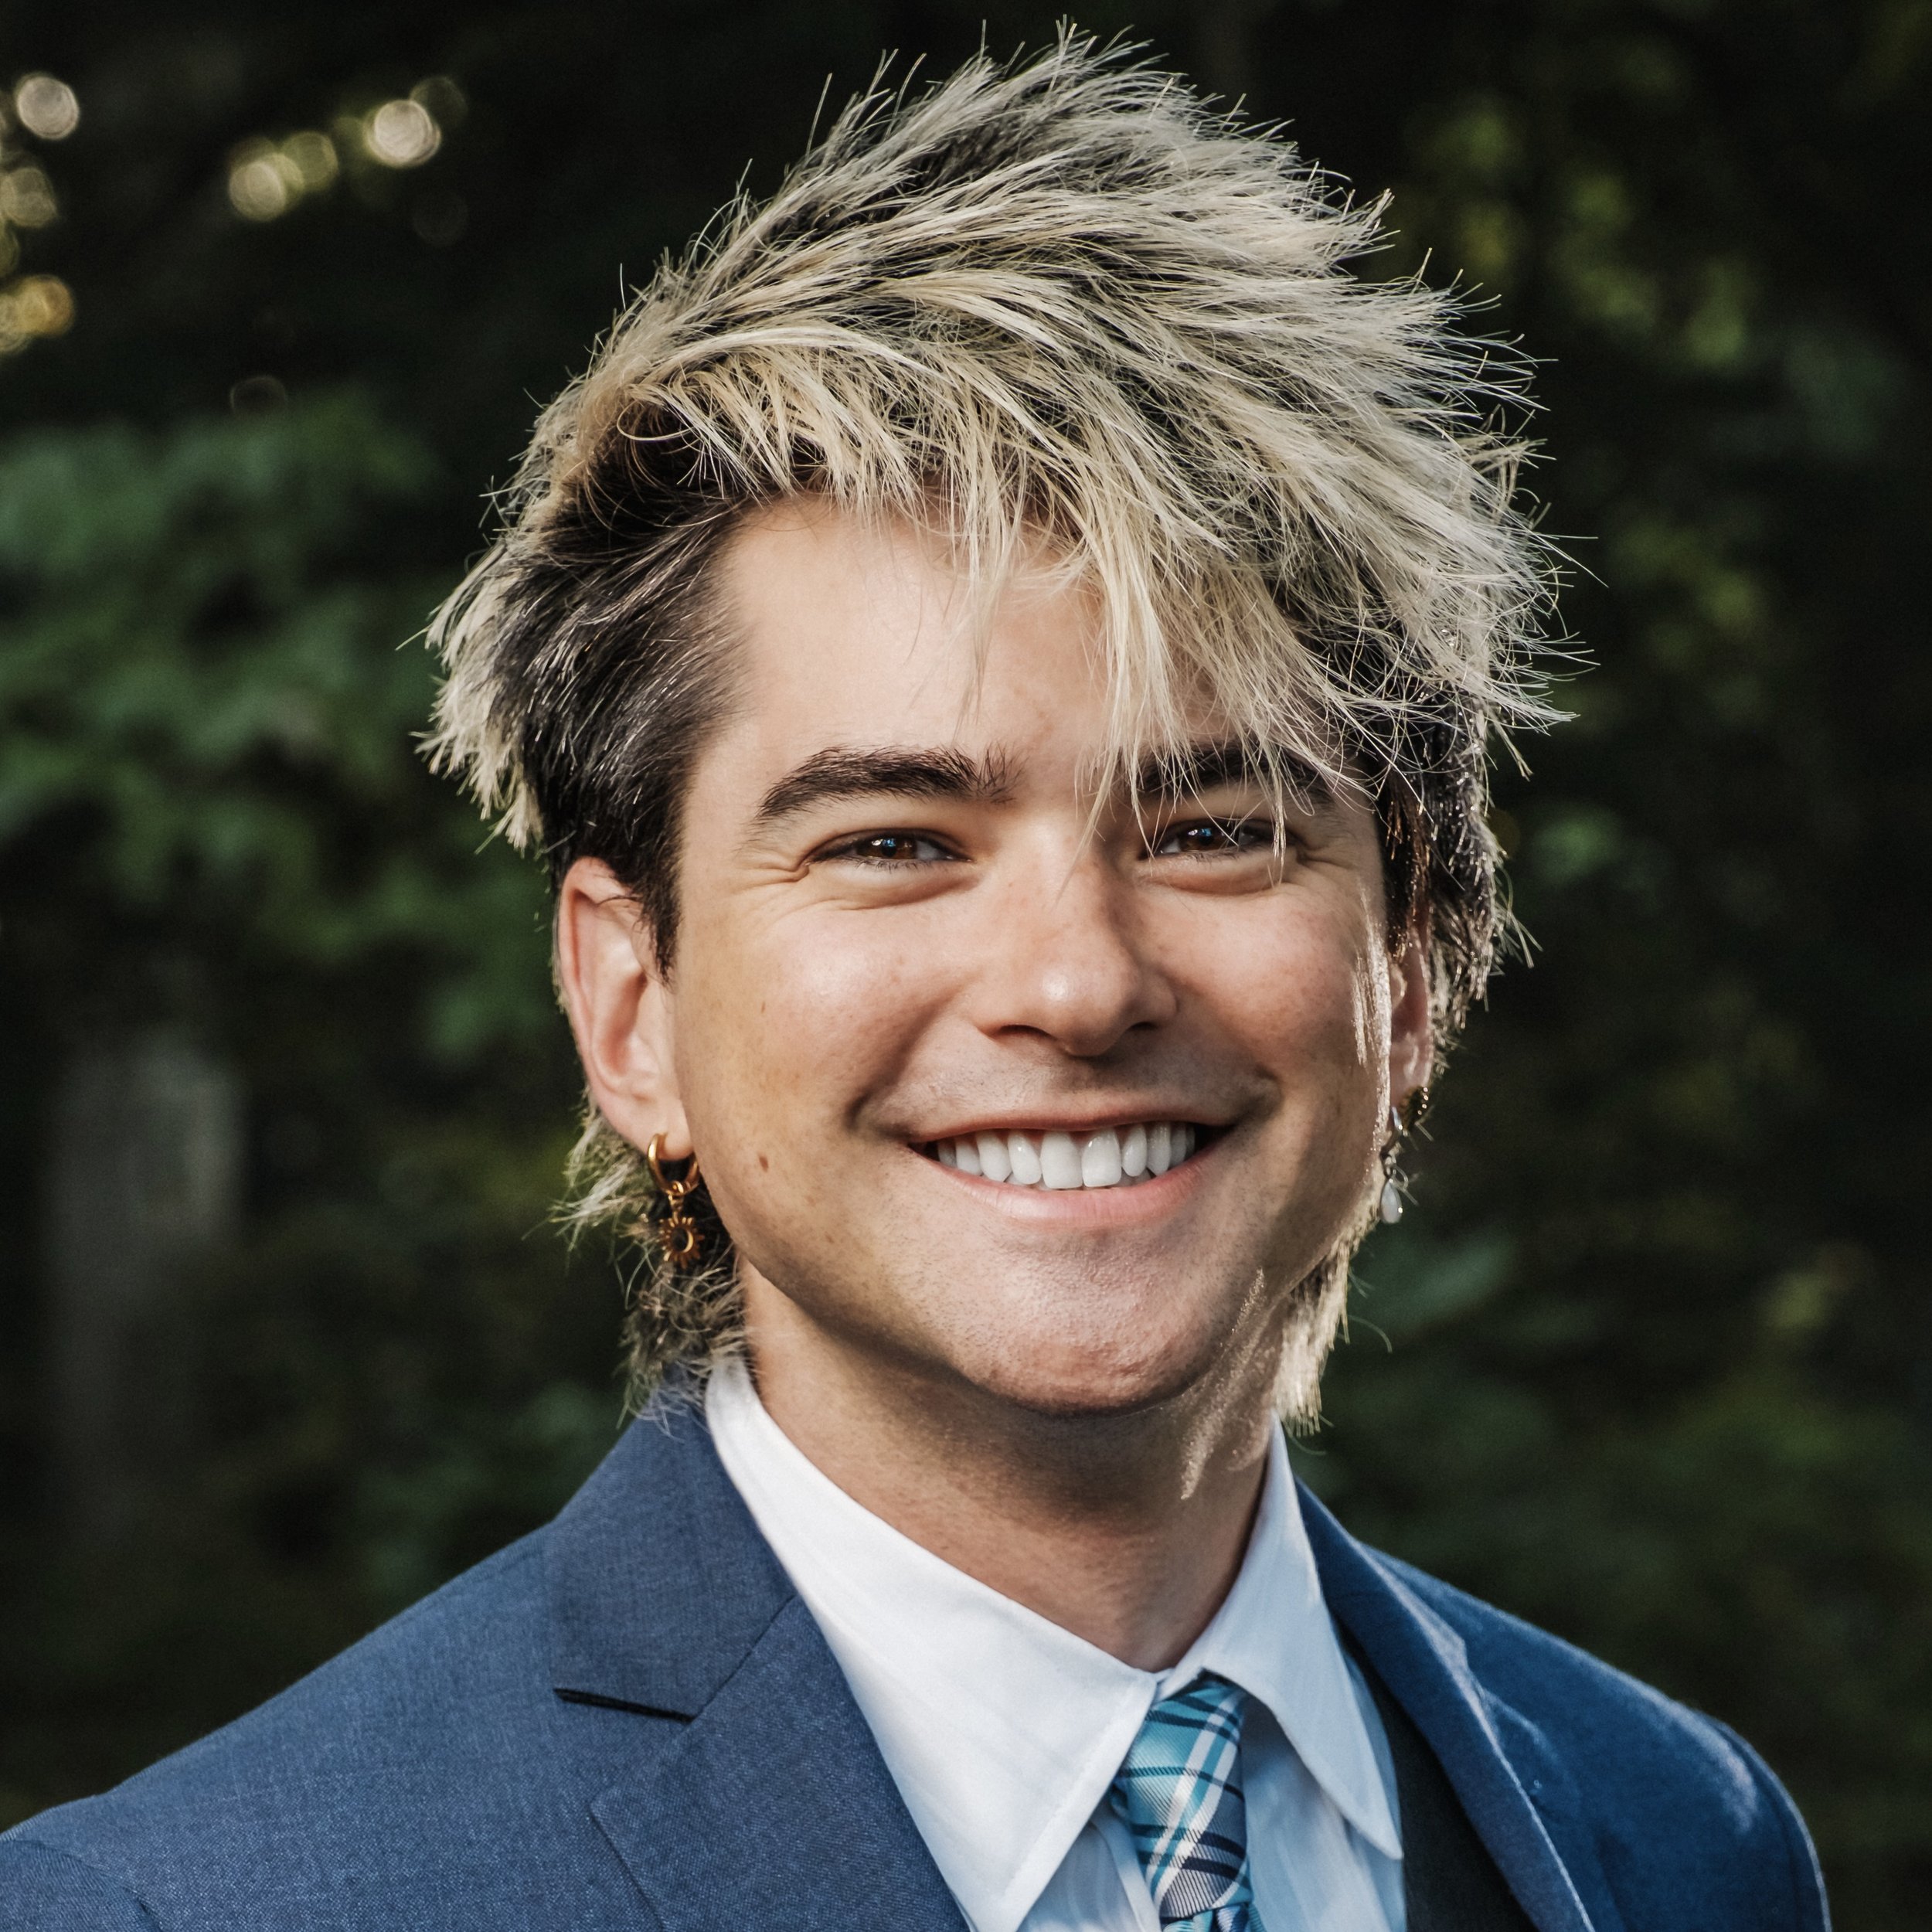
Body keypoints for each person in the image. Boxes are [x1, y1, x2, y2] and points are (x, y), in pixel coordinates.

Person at [1, 37, 1827, 1932]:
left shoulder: (1678, 1838)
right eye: (891, 839)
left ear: (1415, 962)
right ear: (630, 1010)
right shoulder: (183, 1906)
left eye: (1212, 826)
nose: (1076, 979)